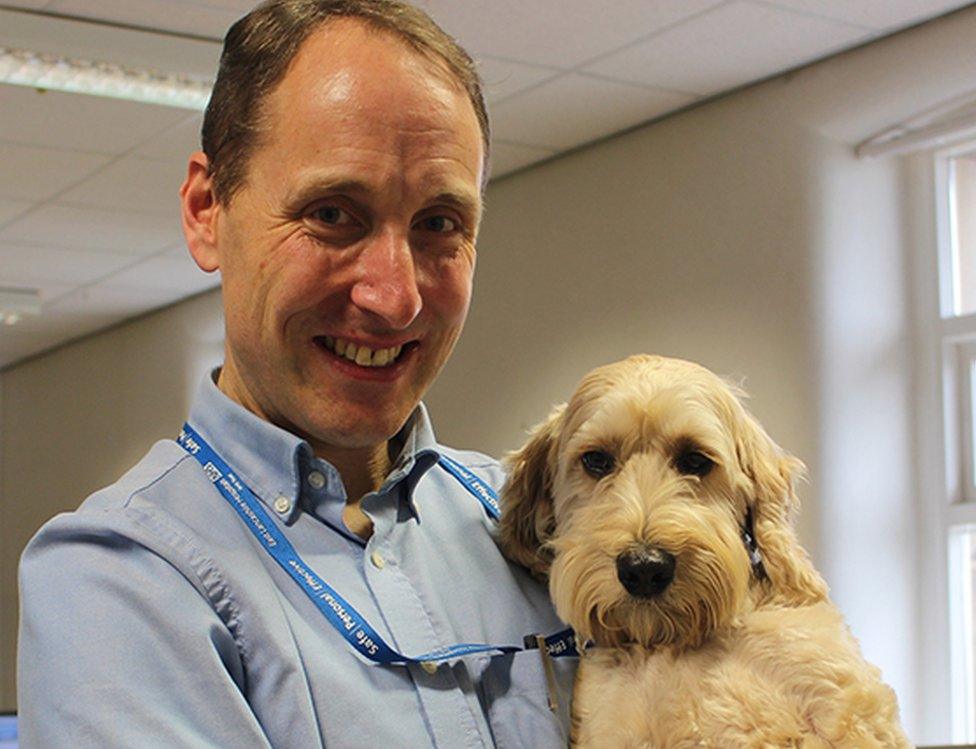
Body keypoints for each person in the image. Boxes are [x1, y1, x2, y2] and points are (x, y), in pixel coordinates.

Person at [16, 1, 576, 746]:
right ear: (207, 209)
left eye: (439, 224)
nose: (395, 296)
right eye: (334, 214)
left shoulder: (541, 526)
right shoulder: (120, 579)